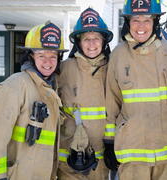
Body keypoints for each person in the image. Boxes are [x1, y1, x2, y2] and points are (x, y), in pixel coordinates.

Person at [103, 0, 167, 179]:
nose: (141, 26)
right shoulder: (118, 55)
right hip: (133, 154)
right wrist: (109, 141)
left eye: (147, 20)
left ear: (155, 22)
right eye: (135, 20)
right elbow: (112, 101)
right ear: (128, 22)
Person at [0, 21, 68, 180]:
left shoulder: (51, 88)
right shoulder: (14, 86)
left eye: (53, 56)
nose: (48, 62)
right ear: (30, 56)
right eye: (41, 55)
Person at [57, 8, 113, 180]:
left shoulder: (113, 69)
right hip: (69, 157)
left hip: (102, 159)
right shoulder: (64, 69)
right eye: (86, 39)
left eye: (96, 38)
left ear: (103, 41)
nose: (91, 44)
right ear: (78, 42)